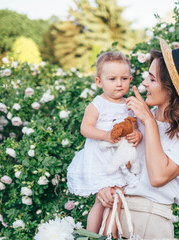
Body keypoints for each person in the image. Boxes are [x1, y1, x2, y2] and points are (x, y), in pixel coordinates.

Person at [97, 38, 179, 239]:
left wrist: (149, 122)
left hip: (150, 220)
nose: (144, 83)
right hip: (114, 213)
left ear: (171, 89)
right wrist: (103, 188)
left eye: (152, 79)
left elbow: (158, 177)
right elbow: (107, 157)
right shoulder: (134, 117)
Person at [67, 51, 142, 236]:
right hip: (100, 160)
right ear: (99, 82)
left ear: (130, 79)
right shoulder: (97, 104)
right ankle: (97, 234)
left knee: (113, 199)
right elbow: (85, 128)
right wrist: (105, 135)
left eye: (124, 78)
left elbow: (135, 126)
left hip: (117, 160)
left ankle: (105, 235)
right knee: (107, 200)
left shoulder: (129, 105)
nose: (119, 83)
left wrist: (138, 135)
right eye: (112, 79)